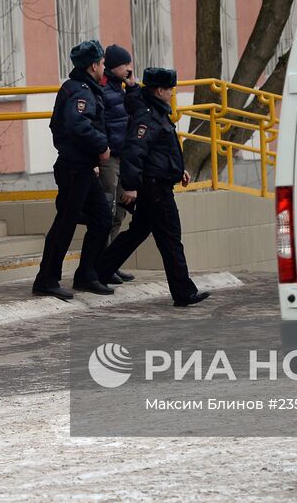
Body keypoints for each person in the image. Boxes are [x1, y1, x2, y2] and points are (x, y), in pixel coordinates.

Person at [97, 67, 209, 307]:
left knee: (136, 233)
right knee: (171, 240)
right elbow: (134, 151)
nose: (171, 94)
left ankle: (98, 271)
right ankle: (184, 292)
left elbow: (158, 151)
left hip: (155, 184)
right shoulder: (148, 116)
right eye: (169, 89)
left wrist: (178, 171)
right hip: (154, 189)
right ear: (159, 90)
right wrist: (130, 186)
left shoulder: (152, 109)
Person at [33, 39, 115, 300]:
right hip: (74, 167)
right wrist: (101, 146)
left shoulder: (84, 87)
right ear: (93, 66)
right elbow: (77, 124)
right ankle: (46, 279)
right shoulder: (79, 90)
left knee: (102, 218)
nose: (104, 67)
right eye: (102, 63)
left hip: (83, 167)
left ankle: (86, 275)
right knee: (65, 223)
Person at [98, 43, 139, 281]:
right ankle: (102, 263)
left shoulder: (123, 89)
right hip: (109, 157)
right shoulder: (103, 89)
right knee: (108, 209)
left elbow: (139, 108)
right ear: (113, 66)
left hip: (125, 156)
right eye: (124, 65)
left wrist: (133, 86)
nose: (128, 69)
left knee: (121, 212)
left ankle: (111, 262)